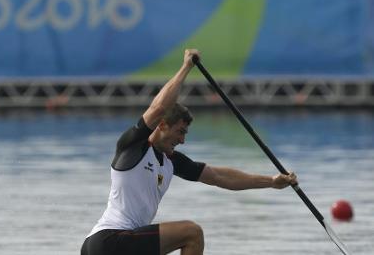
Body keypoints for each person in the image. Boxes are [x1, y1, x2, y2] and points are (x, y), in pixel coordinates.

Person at [81, 49, 297, 255]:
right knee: (192, 233)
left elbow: (221, 177)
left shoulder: (171, 161)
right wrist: (186, 68)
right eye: (180, 132)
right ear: (163, 125)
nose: (182, 140)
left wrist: (271, 181)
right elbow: (158, 108)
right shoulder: (133, 145)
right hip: (110, 240)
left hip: (104, 246)